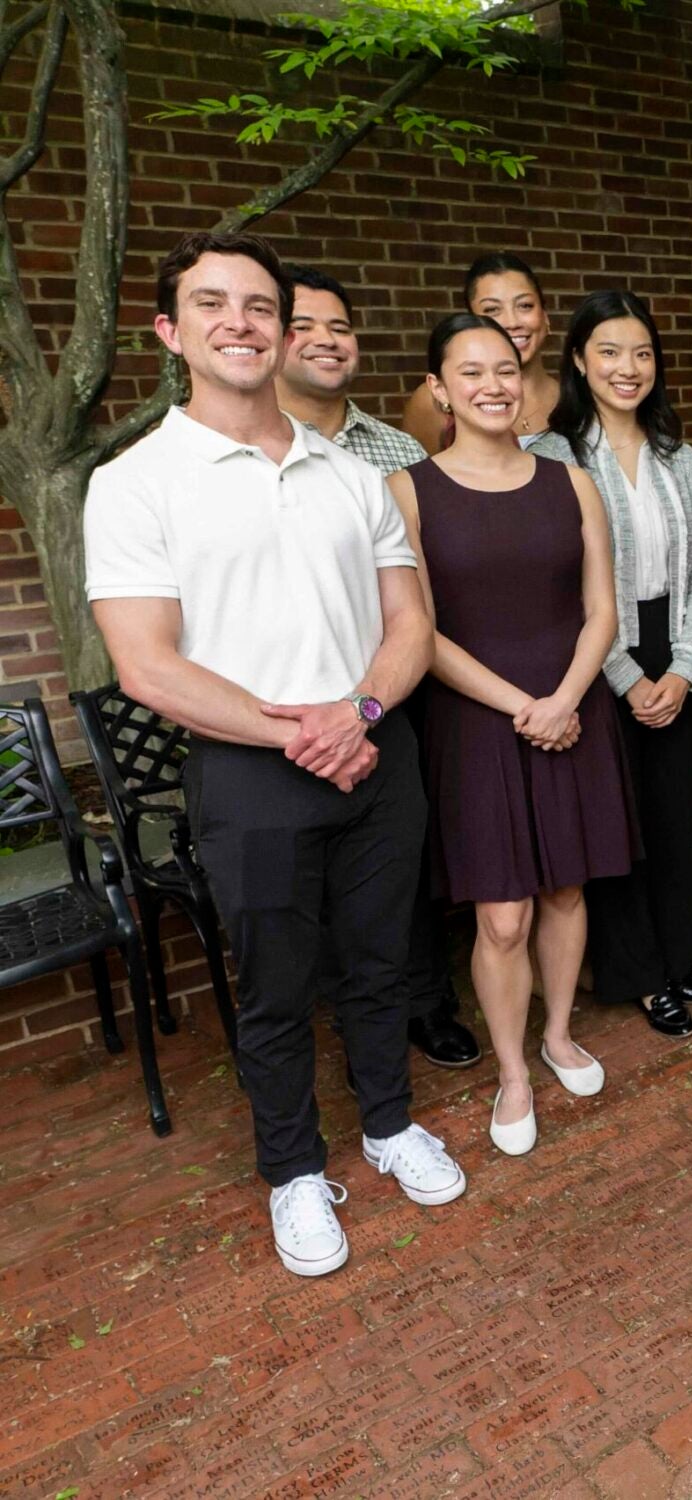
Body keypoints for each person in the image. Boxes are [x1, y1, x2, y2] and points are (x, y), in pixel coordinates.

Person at [87, 232, 465, 1280]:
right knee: (277, 988)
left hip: (374, 752)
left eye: (261, 306)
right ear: (170, 332)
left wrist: (359, 712)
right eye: (212, 304)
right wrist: (305, 730)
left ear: (283, 330)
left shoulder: (350, 472)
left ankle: (388, 1123)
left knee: (384, 963)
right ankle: (294, 1170)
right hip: (250, 772)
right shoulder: (136, 482)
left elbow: (411, 624)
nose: (240, 322)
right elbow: (146, 665)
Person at [394, 312, 638, 1156]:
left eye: (504, 369)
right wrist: (524, 708)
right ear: (440, 389)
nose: (492, 386)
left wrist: (565, 698)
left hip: (574, 711)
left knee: (567, 890)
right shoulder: (408, 491)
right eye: (470, 372)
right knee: (501, 917)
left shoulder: (570, 483)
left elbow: (602, 611)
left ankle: (559, 1034)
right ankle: (511, 1072)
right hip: (476, 725)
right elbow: (419, 632)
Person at [277, 262, 482, 1073]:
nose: (326, 340)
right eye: (304, 325)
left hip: (395, 689)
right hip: (291, 702)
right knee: (318, 877)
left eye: (340, 326)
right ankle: (353, 1019)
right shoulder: (250, 453)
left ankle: (426, 1002)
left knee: (405, 859)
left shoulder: (396, 450)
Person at [531, 291, 692, 1036]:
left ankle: (676, 958)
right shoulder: (553, 457)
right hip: (593, 656)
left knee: (675, 817)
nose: (628, 367)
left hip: (673, 647)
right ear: (580, 360)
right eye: (609, 351)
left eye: (642, 353)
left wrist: (686, 666)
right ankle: (639, 975)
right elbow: (564, 587)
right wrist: (626, 677)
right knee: (618, 825)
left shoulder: (680, 456)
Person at [402, 253, 559, 453]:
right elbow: (421, 471)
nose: (512, 322)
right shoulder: (434, 399)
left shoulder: (574, 397)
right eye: (492, 309)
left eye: (525, 306)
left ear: (545, 317)